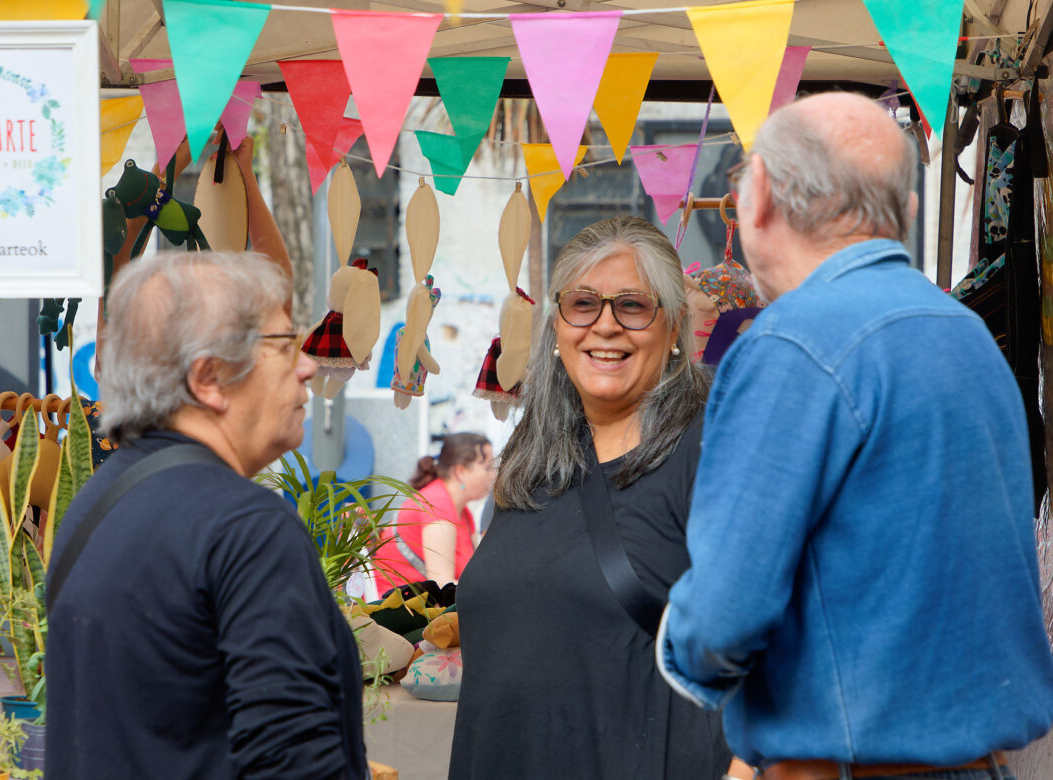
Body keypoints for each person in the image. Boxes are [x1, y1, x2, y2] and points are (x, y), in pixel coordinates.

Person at [657, 93, 1053, 780]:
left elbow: (725, 613)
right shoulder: (966, 334)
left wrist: (681, 654)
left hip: (846, 765)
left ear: (762, 202)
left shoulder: (790, 343)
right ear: (904, 214)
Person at [46, 251, 367, 779]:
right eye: (285, 344)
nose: (307, 365)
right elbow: (294, 761)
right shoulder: (247, 528)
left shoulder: (96, 504)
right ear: (210, 378)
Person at [449, 216, 731, 778]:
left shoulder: (712, 445)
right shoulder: (536, 452)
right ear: (558, 326)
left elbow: (770, 640)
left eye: (632, 306)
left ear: (674, 327)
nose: (605, 326)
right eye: (583, 304)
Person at [372, 432, 494, 592]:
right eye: (488, 467)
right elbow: (442, 586)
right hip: (399, 610)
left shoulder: (462, 512)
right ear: (461, 472)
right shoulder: (437, 505)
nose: (494, 475)